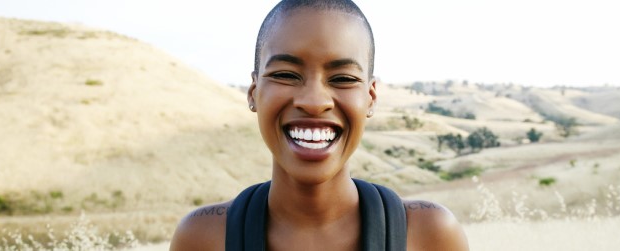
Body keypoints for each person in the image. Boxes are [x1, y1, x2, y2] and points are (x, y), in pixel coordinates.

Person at [170, 0, 469, 250]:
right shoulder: (204, 237)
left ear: (371, 98)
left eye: (343, 79)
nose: (314, 101)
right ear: (253, 92)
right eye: (286, 75)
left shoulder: (428, 235)